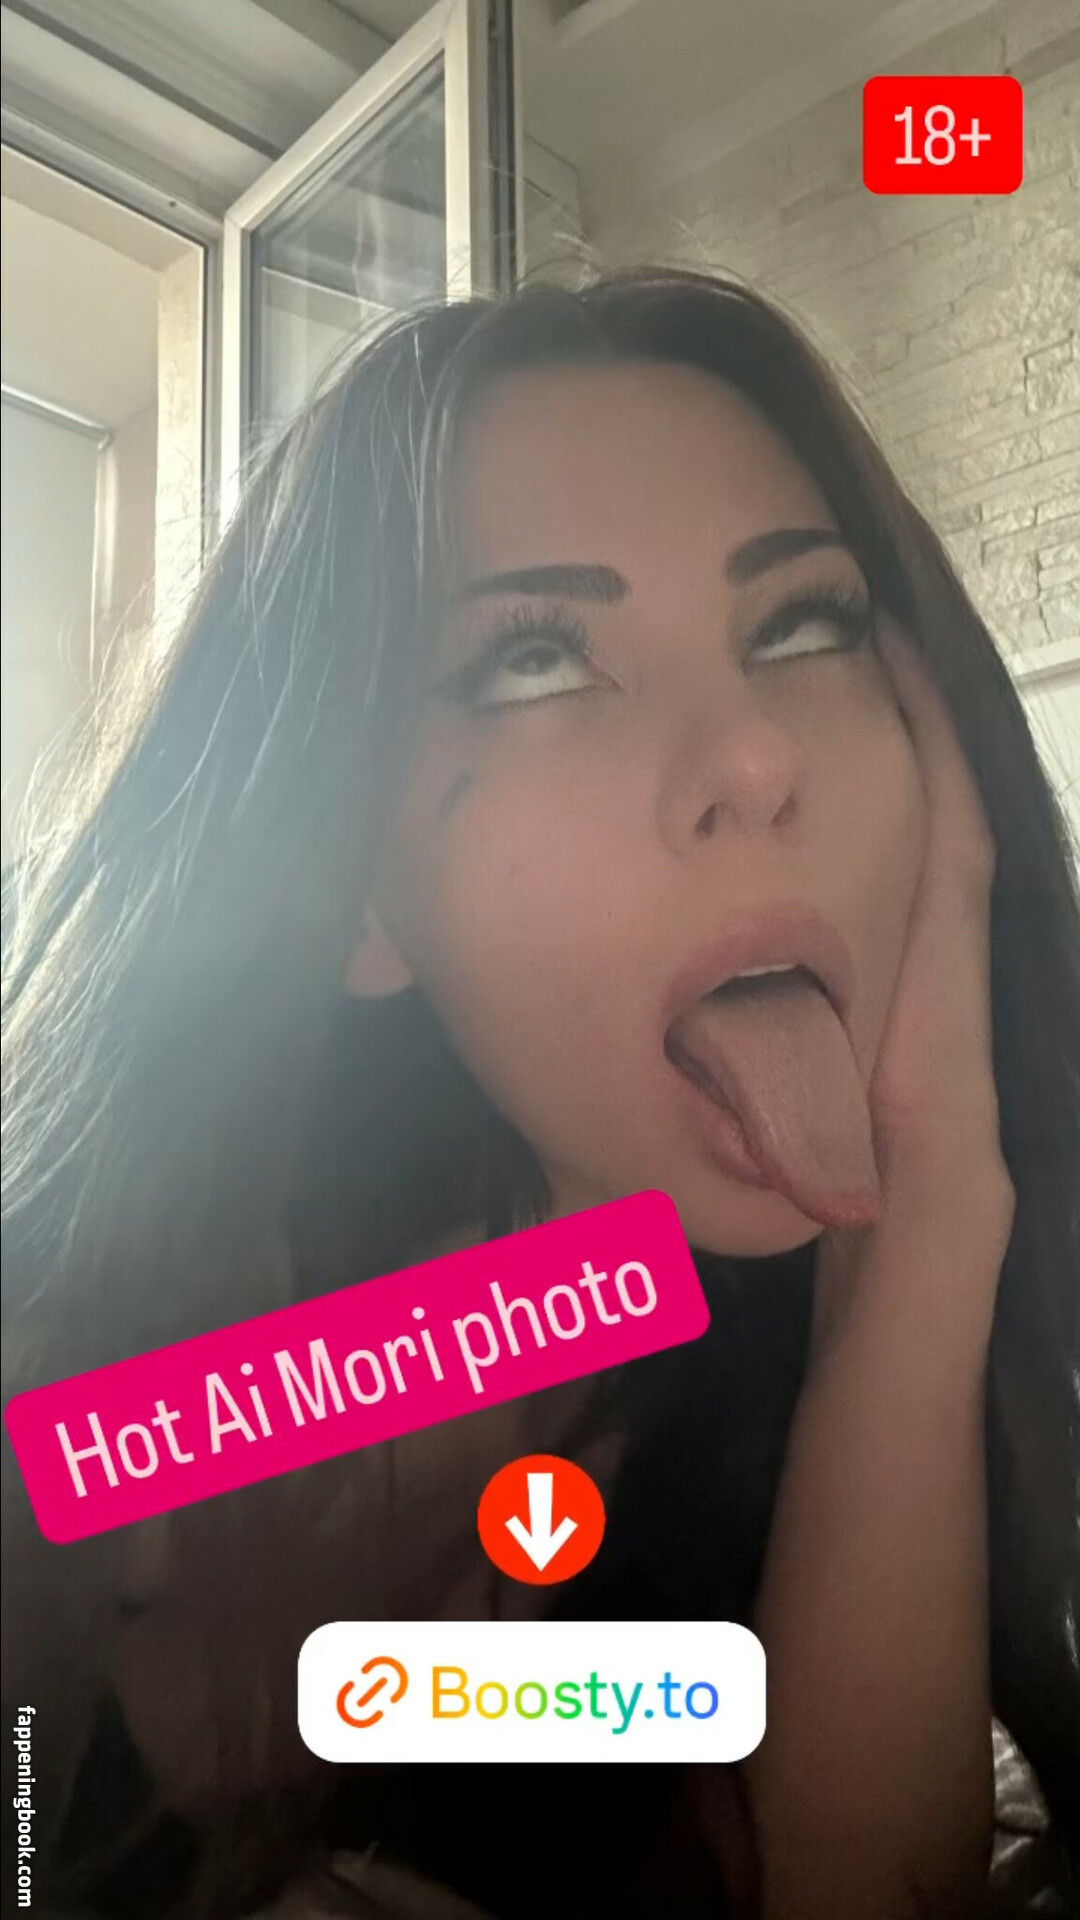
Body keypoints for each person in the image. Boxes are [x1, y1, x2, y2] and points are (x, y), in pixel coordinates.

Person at [2, 267, 1078, 1920]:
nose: (755, 758)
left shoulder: (752, 1371)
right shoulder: (149, 1318)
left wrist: (922, 1239)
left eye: (803, 625)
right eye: (532, 663)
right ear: (360, 892)